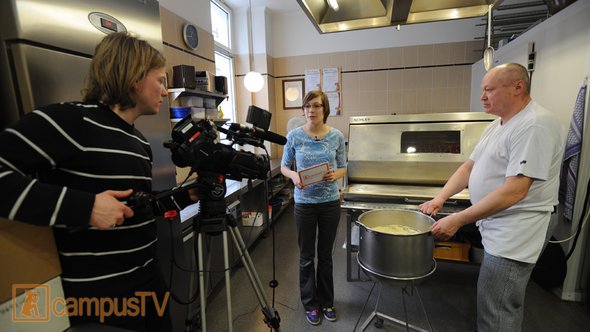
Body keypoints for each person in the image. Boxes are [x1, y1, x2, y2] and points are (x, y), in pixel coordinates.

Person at [0, 32, 196, 331]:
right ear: (135, 78)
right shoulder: (68, 121)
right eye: (160, 80)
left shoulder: (138, 141)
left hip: (147, 284)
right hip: (99, 301)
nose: (165, 91)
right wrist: (85, 206)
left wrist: (187, 196)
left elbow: (134, 210)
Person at [419, 63, 565, 332]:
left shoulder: (534, 124)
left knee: (497, 308)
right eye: (482, 90)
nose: (482, 96)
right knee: (492, 299)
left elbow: (516, 190)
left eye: (489, 90)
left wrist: (458, 220)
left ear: (517, 87)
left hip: (517, 229)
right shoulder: (498, 125)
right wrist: (441, 198)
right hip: (499, 223)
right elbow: (468, 167)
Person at [280, 90, 347, 326]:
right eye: (307, 106)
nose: (311, 110)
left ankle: (327, 301)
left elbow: (343, 167)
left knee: (326, 256)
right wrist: (294, 176)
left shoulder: (336, 136)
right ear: (303, 110)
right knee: (306, 257)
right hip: (304, 204)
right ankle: (311, 304)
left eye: (316, 106)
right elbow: (284, 167)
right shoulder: (294, 136)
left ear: (325, 109)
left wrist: (334, 175)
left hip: (329, 203)